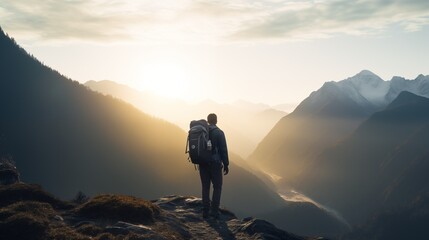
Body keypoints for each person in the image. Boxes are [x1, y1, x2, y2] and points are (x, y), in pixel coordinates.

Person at [199, 113, 229, 219]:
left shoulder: (202, 132)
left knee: (205, 187)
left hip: (202, 163)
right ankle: (214, 211)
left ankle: (205, 211)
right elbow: (223, 150)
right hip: (215, 163)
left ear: (207, 120)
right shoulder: (219, 133)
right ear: (216, 121)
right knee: (217, 187)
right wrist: (226, 164)